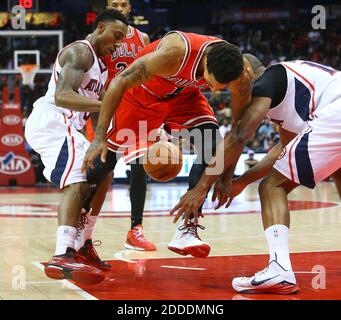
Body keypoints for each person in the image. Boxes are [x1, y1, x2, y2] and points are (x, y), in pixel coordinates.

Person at [170, 58, 341, 294]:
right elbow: (283, 149)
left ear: (247, 73)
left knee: (272, 187)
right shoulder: (289, 88)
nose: (235, 93)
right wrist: (242, 181)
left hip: (335, 114)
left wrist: (200, 189)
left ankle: (280, 269)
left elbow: (239, 136)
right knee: (338, 171)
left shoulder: (266, 82)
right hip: (334, 112)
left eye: (232, 86)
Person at [82, 30, 245, 258]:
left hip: (183, 97)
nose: (216, 91)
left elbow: (238, 131)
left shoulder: (239, 71)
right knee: (104, 163)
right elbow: (119, 81)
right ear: (206, 61)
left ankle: (187, 229)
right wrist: (99, 135)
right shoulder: (175, 53)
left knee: (214, 146)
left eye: (222, 87)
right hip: (141, 98)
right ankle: (78, 227)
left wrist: (225, 174)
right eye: (213, 82)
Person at [24, 9, 128, 283]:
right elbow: (62, 96)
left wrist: (100, 138)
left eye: (122, 39)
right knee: (79, 183)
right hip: (52, 121)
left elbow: (96, 111)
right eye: (116, 36)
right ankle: (63, 253)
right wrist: (105, 104)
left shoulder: (102, 67)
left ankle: (83, 245)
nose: (118, 44)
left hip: (70, 127)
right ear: (101, 27)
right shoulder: (80, 52)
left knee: (104, 171)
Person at [80, 0, 156, 252]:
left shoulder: (142, 37)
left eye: (124, 4)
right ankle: (83, 226)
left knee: (139, 165)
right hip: (104, 110)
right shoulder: (98, 39)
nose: (120, 7)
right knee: (102, 172)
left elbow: (150, 76)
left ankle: (136, 229)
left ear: (130, 8)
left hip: (135, 108)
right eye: (115, 4)